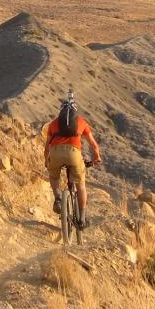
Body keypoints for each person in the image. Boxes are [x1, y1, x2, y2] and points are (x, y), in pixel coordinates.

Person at [43, 92, 101, 228]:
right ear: (75, 111)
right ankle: (82, 219)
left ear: (61, 112)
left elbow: (47, 148)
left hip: (55, 152)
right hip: (74, 154)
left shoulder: (53, 124)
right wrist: (97, 157)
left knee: (53, 176)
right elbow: (93, 144)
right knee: (81, 185)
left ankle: (58, 197)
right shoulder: (81, 122)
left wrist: (47, 161)